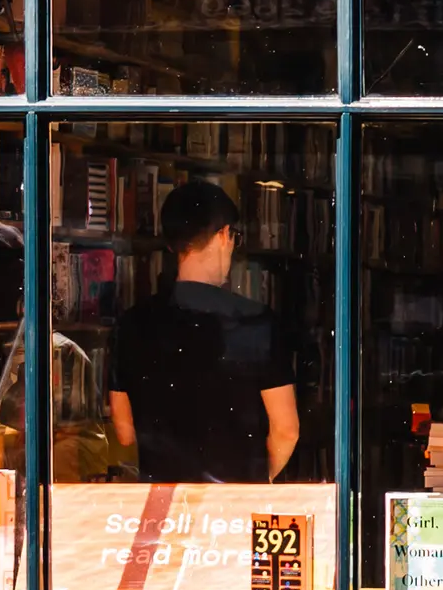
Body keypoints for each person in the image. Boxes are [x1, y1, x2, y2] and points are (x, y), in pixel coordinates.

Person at [106, 179, 303, 480]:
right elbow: (286, 430)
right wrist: (254, 486)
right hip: (233, 508)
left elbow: (124, 432)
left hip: (164, 506)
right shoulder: (256, 322)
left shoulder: (132, 323)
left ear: (172, 245)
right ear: (224, 235)